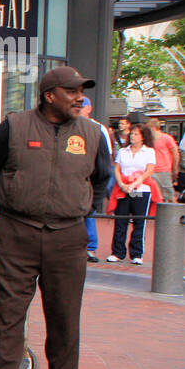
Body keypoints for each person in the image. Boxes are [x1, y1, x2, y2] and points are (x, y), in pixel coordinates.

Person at [0, 66, 111, 369]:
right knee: (6, 314)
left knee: (64, 315)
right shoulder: (15, 126)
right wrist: (5, 204)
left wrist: (82, 212)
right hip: (17, 234)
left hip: (67, 237)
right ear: (49, 95)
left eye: (81, 91)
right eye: (72, 91)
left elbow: (102, 179)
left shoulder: (93, 133)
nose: (79, 97)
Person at [106, 123, 159, 264]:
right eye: (131, 134)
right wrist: (122, 184)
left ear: (143, 137)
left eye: (135, 134)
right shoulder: (123, 152)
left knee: (139, 221)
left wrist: (135, 184)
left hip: (140, 190)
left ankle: (137, 253)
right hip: (123, 189)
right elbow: (117, 169)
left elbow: (149, 170)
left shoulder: (149, 152)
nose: (132, 136)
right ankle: (117, 252)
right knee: (120, 220)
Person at [79, 98, 114, 262]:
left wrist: (95, 199)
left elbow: (105, 158)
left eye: (82, 106)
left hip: (90, 177)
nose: (79, 109)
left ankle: (91, 247)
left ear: (89, 108)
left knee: (89, 212)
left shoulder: (98, 129)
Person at [146, 117, 180, 201]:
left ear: (153, 128)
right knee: (154, 194)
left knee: (169, 194)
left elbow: (175, 153)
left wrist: (175, 169)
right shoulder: (149, 140)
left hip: (164, 170)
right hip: (151, 170)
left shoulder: (167, 138)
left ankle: (174, 212)